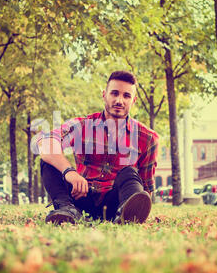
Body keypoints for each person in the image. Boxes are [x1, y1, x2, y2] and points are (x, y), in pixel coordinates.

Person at [36, 71, 159, 225]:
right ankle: (66, 211)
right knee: (48, 161)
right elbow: (45, 142)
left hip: (115, 204)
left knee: (130, 172)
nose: (119, 100)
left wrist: (138, 205)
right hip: (80, 198)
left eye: (126, 96)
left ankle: (128, 215)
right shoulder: (82, 125)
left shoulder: (148, 138)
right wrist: (69, 171)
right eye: (114, 93)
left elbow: (146, 188)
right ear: (104, 95)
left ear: (133, 100)